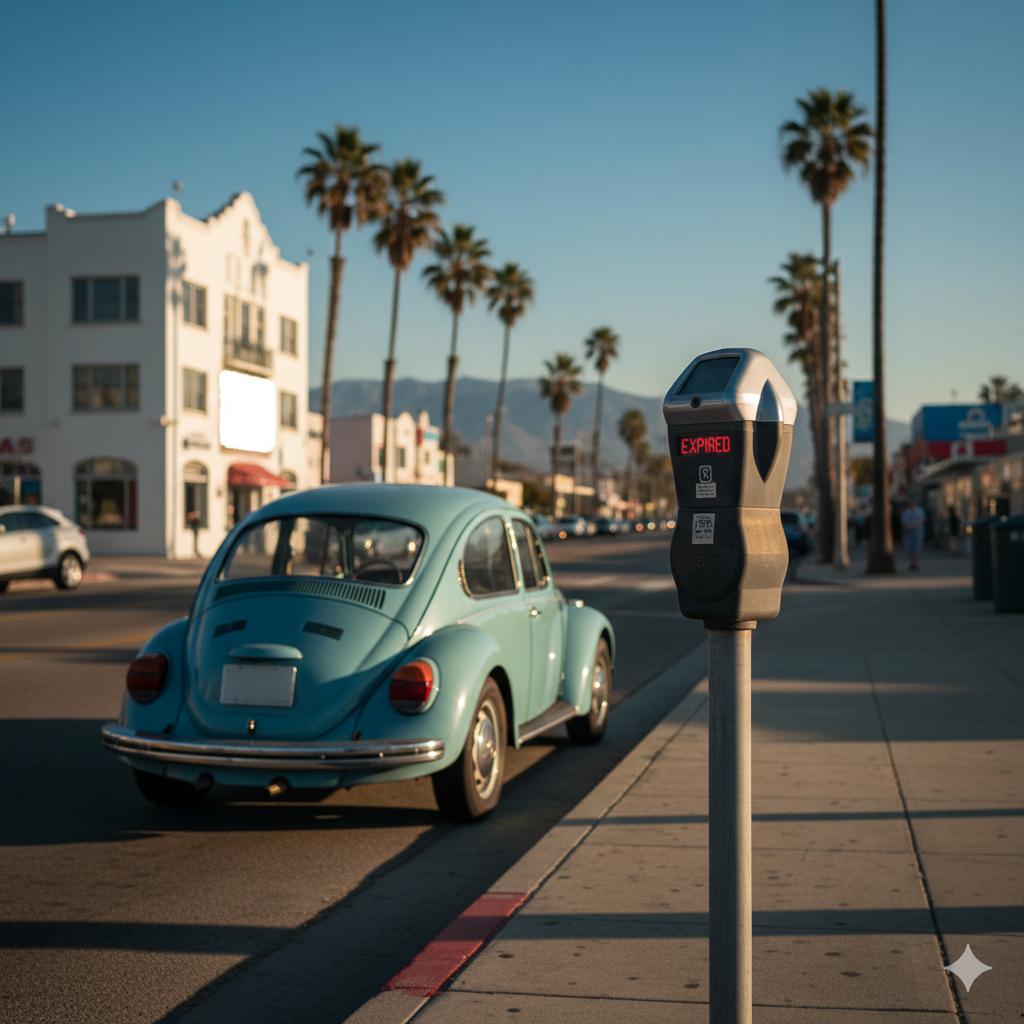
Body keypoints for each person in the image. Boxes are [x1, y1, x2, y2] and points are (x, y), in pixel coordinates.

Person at [901, 497, 926, 571]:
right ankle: (911, 564)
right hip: (908, 533)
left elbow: (920, 521)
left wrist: (911, 526)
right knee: (909, 549)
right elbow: (903, 522)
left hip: (917, 533)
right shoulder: (906, 511)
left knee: (916, 549)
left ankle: (916, 564)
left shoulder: (919, 511)